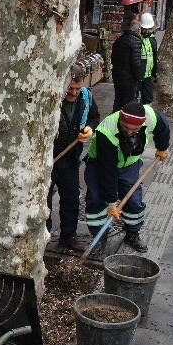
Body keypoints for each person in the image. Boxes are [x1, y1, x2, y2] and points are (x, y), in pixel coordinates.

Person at [84, 102, 170, 254]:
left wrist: (162, 148)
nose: (130, 132)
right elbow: (108, 171)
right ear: (120, 120)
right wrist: (111, 202)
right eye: (125, 127)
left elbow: (163, 128)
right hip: (100, 165)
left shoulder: (151, 117)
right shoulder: (106, 131)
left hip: (130, 164)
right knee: (97, 200)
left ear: (142, 123)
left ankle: (132, 234)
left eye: (135, 129)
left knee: (134, 200)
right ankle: (99, 237)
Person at [48, 65, 101, 252]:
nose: (74, 93)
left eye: (78, 88)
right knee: (43, 199)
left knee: (71, 198)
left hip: (71, 157)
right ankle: (43, 235)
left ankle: (68, 236)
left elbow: (94, 118)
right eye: (70, 88)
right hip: (49, 158)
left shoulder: (86, 98)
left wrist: (90, 128)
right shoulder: (51, 97)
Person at [111, 12, 145, 109]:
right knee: (129, 102)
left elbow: (113, 58)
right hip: (129, 78)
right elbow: (135, 63)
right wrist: (139, 77)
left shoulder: (119, 40)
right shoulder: (136, 42)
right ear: (138, 29)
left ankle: (116, 118)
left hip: (118, 75)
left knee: (118, 99)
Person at [138, 13, 159, 104]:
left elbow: (154, 57)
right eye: (144, 29)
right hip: (138, 76)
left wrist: (154, 74)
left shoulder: (152, 40)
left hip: (147, 76)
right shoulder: (137, 39)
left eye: (149, 29)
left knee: (148, 100)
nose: (147, 31)